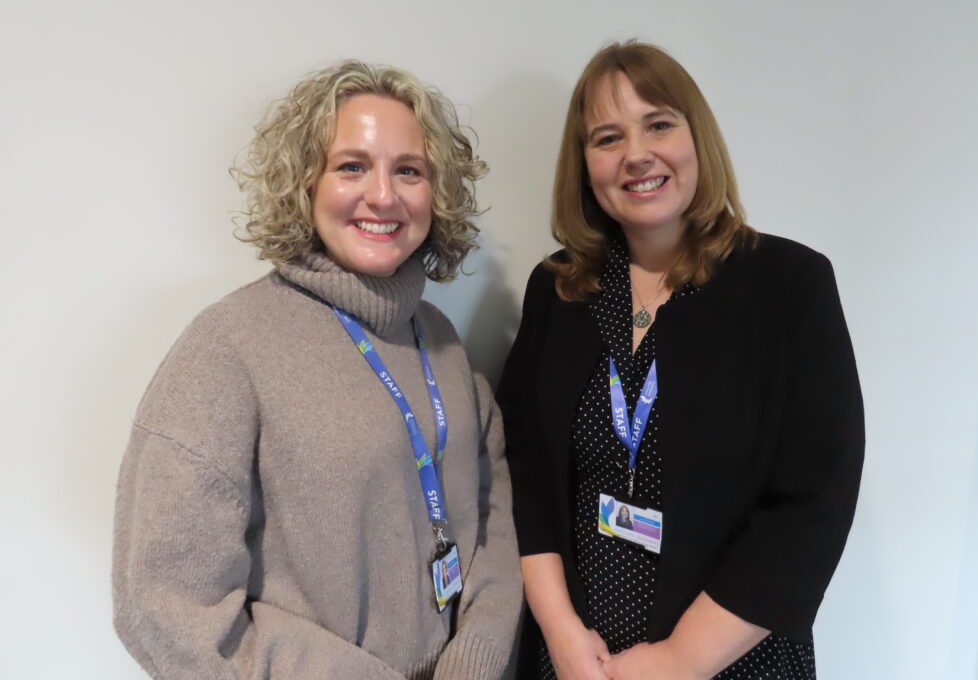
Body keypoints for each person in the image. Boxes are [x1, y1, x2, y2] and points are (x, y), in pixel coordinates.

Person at [113, 60, 521, 680]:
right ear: (303, 182)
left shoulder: (440, 339)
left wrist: (474, 661)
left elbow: (491, 511)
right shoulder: (228, 346)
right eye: (351, 166)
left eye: (407, 170)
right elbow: (166, 605)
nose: (383, 195)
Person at [497, 41, 864, 680]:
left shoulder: (788, 284)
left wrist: (680, 661)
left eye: (659, 124)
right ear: (584, 165)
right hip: (580, 660)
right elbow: (520, 474)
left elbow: (815, 502)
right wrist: (560, 632)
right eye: (607, 138)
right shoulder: (558, 290)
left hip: (731, 659)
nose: (636, 154)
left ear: (698, 137)